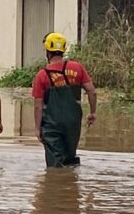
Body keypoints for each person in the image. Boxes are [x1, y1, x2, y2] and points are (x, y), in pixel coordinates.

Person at [32, 32, 97, 168]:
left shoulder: (42, 75)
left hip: (51, 125)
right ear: (63, 50)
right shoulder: (77, 68)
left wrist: (37, 129)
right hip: (73, 123)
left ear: (48, 52)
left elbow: (38, 106)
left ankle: (56, 184)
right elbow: (91, 91)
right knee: (69, 158)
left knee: (54, 165)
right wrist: (92, 113)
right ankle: (70, 184)